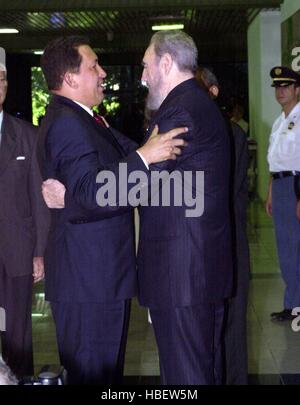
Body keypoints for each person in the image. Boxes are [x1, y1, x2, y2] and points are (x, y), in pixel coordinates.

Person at [42, 31, 232, 385]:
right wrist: (91, 187)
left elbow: (151, 179)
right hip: (166, 275)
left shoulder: (181, 110)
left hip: (183, 275)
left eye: (145, 66)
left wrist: (71, 196)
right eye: (94, 65)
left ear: (165, 63)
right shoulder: (75, 121)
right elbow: (139, 162)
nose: (141, 76)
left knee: (188, 376)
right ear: (70, 78)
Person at [196, 67, 250, 385]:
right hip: (199, 246)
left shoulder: (232, 135)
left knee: (231, 326)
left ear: (213, 93)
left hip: (227, 241)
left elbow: (224, 192)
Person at [0, 50, 49, 378]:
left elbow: (38, 199)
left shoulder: (27, 136)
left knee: (16, 336)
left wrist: (39, 253)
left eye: (1, 78)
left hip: (15, 255)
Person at [266, 66, 300, 322]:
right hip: (280, 187)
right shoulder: (280, 121)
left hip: (295, 186)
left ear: (297, 90)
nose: (280, 91)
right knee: (286, 248)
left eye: (286, 86)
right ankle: (292, 302)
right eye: (278, 86)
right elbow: (275, 162)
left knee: (294, 248)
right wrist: (270, 193)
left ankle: (295, 305)